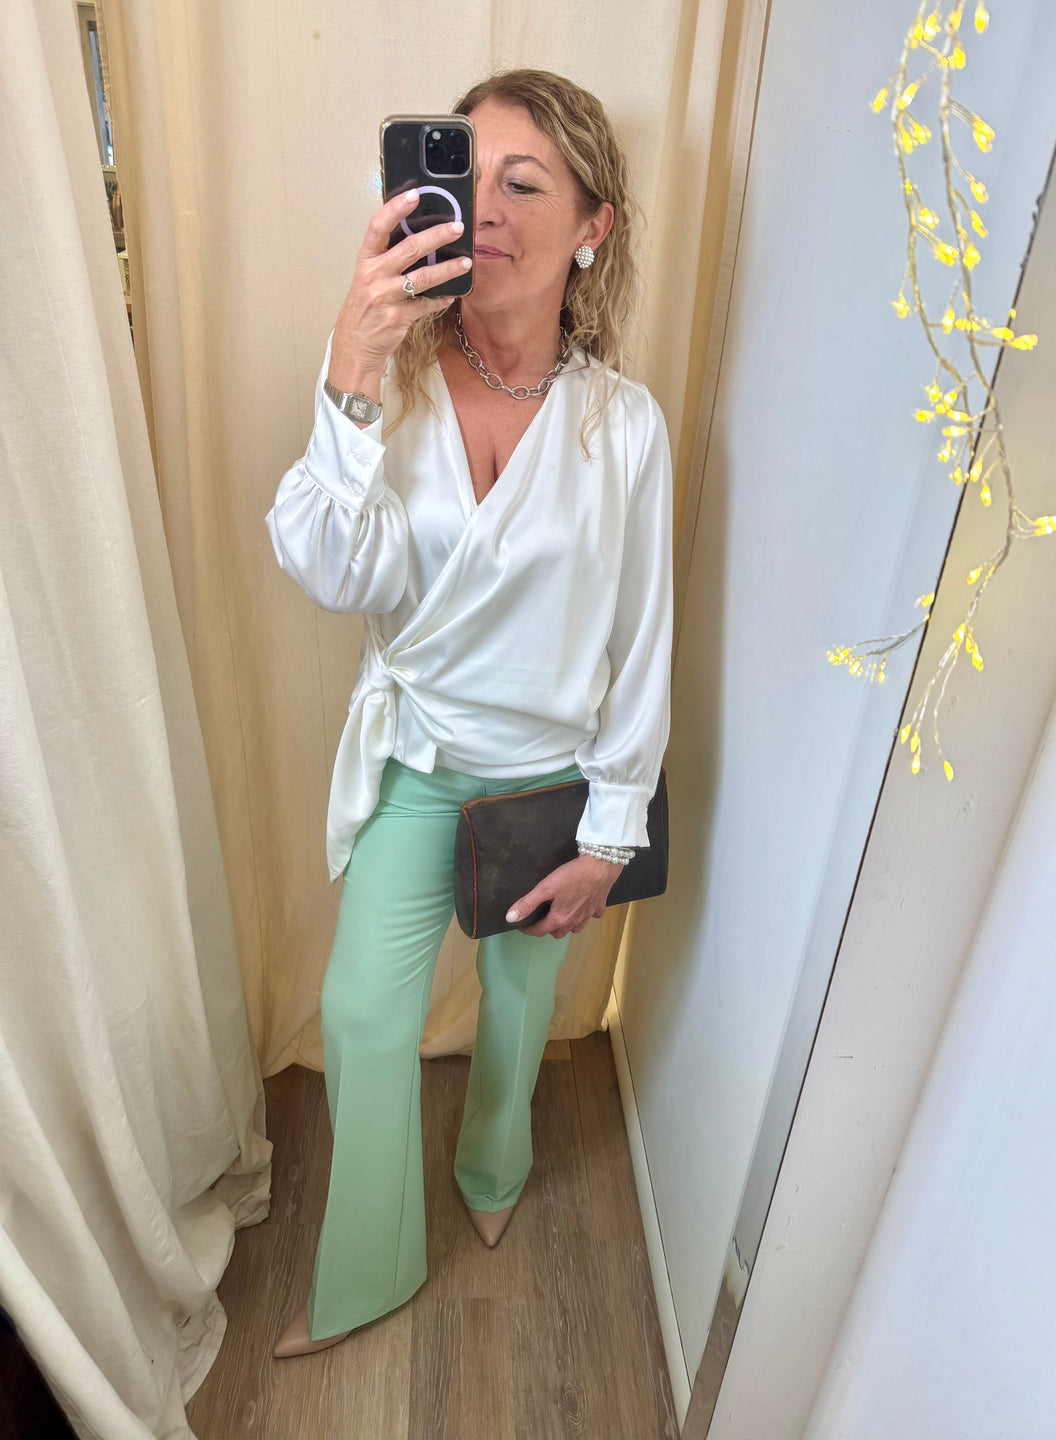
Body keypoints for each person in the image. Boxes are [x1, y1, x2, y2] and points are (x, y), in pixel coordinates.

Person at [264, 68, 673, 1358]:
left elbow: (641, 641)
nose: (483, 208)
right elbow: (334, 571)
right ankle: (368, 1270)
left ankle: (495, 1167)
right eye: (463, 173)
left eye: (524, 183)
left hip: (549, 780)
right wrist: (351, 363)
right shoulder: (394, 389)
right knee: (362, 1016)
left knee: (517, 1010)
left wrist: (609, 837)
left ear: (593, 226)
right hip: (420, 754)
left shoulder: (623, 429)